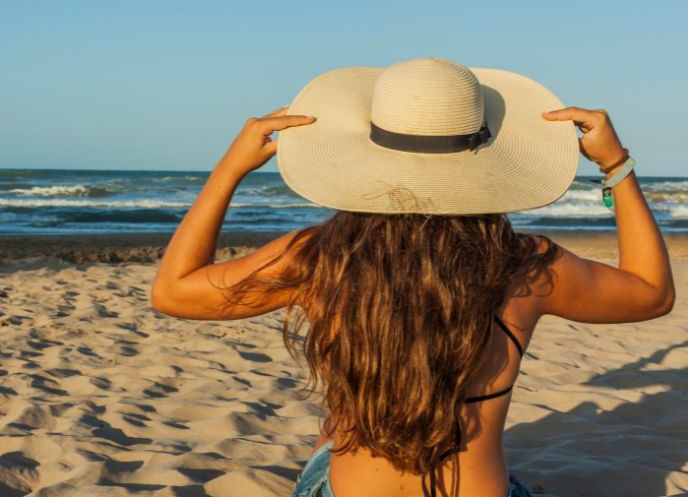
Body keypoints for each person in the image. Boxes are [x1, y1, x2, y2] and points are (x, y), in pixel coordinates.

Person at [150, 58, 675, 497]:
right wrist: (617, 167)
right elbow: (652, 294)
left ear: (368, 153)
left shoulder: (318, 257)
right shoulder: (524, 264)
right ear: (487, 153)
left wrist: (228, 170)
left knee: (334, 431)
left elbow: (173, 291)